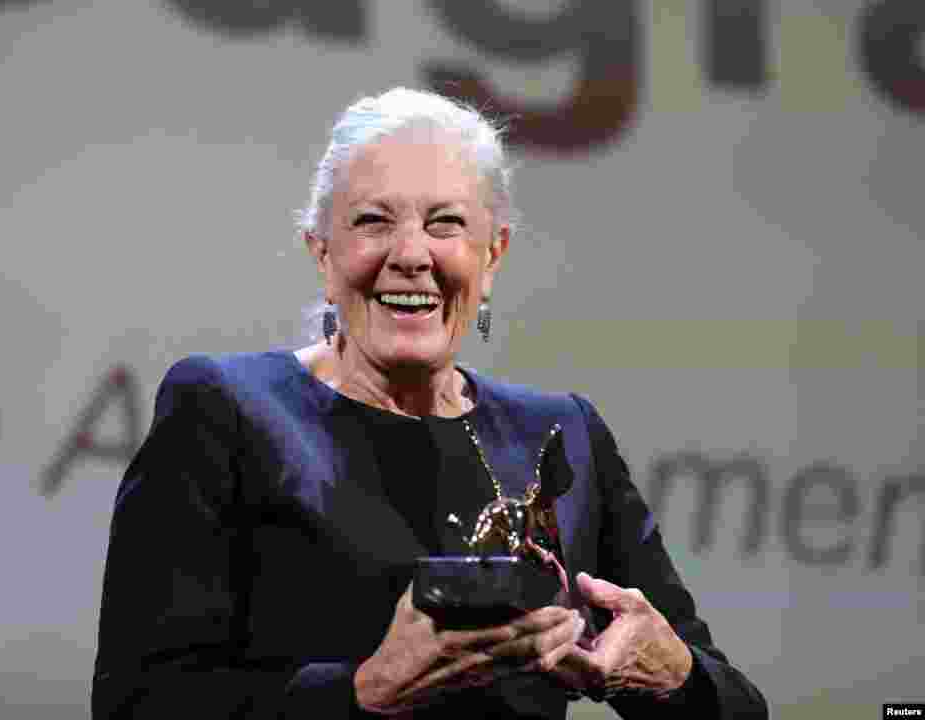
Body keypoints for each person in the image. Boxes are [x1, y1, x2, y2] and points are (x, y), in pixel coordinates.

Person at [90, 87, 768, 719]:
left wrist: (672, 673)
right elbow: (139, 703)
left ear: (492, 255)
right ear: (322, 254)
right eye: (373, 221)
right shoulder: (225, 411)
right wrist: (365, 692)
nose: (410, 254)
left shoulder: (562, 436)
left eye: (445, 223)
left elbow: (738, 705)